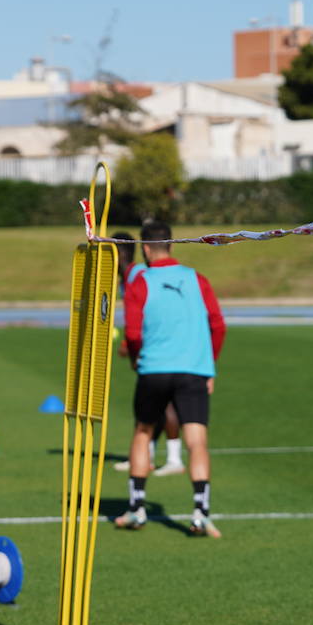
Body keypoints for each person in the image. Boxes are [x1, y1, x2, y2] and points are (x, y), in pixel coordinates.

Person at [115, 220, 226, 537]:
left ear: (146, 249)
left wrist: (136, 360)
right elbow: (218, 325)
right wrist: (209, 366)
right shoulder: (197, 279)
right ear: (172, 245)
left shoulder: (140, 282)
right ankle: (200, 513)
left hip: (155, 369)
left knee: (143, 433)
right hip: (194, 370)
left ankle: (137, 509)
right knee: (197, 441)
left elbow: (134, 333)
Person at [111, 231, 186, 477]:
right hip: (149, 346)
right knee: (152, 405)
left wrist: (133, 344)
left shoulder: (138, 275)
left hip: (157, 347)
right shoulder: (127, 278)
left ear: (119, 254)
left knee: (164, 404)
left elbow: (151, 311)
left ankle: (174, 458)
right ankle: (147, 456)